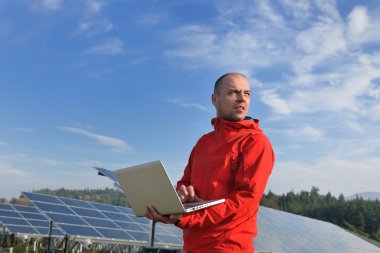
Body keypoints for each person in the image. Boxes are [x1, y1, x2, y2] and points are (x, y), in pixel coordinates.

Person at [145, 73, 275, 252]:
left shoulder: (256, 142)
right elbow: (185, 182)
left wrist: (183, 218)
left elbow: (244, 202)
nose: (241, 99)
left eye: (247, 93)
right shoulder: (203, 142)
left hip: (227, 247)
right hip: (192, 245)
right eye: (233, 93)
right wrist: (177, 200)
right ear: (215, 99)